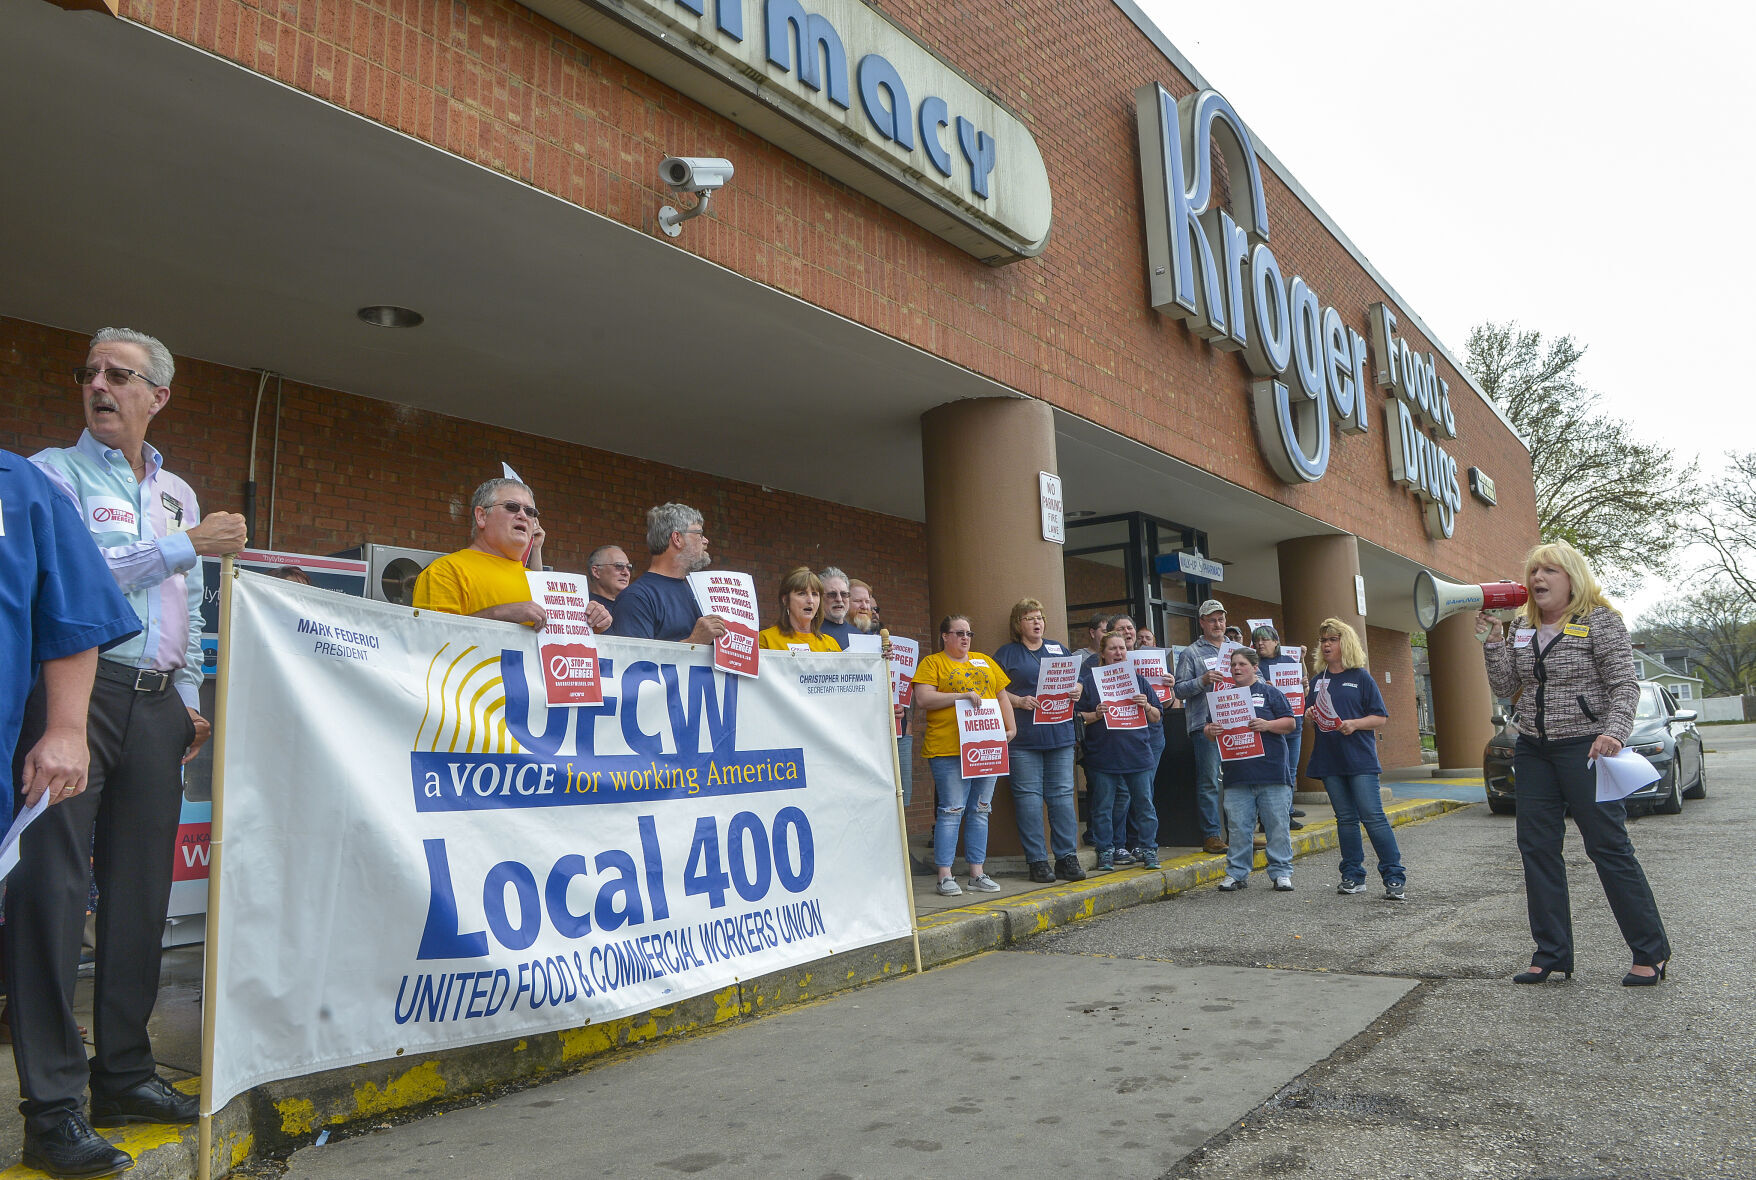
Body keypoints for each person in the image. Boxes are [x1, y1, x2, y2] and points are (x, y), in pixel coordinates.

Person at [12, 328, 247, 1178]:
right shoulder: (51, 473)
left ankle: (124, 1075)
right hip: (75, 696)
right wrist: (190, 545)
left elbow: (182, 602)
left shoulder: (177, 490)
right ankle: (52, 1107)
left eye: (121, 376)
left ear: (160, 395)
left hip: (155, 705)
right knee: (52, 892)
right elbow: (74, 582)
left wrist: (186, 701)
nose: (100, 386)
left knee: (143, 898)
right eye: (91, 374)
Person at [1480, 540, 1669, 987]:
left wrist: (1614, 732)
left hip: (1587, 748)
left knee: (1608, 848)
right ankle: (1552, 954)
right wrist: (1493, 642)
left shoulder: (1600, 621)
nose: (1538, 579)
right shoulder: (1522, 628)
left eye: (1550, 571)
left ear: (1572, 578)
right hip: (1533, 749)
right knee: (1537, 850)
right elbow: (1508, 684)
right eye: (1534, 572)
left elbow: (1625, 685)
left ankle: (1650, 952)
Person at [413, 478, 611, 631]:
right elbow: (431, 641)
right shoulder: (445, 571)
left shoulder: (538, 581)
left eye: (531, 511)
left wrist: (594, 621)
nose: (523, 516)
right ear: (481, 516)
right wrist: (500, 613)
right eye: (512, 507)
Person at [910, 615, 1016, 896]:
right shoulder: (933, 663)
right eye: (958, 633)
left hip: (986, 745)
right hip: (948, 748)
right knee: (952, 810)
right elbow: (923, 699)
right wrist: (961, 696)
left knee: (981, 810)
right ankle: (945, 875)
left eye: (969, 633)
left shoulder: (984, 661)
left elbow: (1001, 695)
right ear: (945, 636)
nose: (965, 638)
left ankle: (977, 873)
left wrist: (1011, 726)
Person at [1305, 617, 1405, 900]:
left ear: (1344, 643)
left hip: (1359, 759)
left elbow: (1380, 717)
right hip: (1329, 760)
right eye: (1323, 640)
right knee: (1345, 819)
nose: (1325, 645)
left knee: (1372, 817)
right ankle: (1352, 875)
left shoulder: (1361, 677)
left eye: (1332, 640)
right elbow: (1313, 716)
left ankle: (1394, 876)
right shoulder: (1317, 681)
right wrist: (1309, 716)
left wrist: (1355, 724)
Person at [995, 599, 1086, 884]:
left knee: (1061, 798)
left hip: (1059, 734)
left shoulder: (1058, 649)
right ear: (1018, 624)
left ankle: (1066, 858)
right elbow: (993, 688)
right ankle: (1036, 861)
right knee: (1029, 800)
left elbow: (1078, 679)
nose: (1037, 623)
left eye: (1040, 618)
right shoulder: (1007, 654)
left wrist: (1077, 690)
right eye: (1030, 618)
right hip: (1024, 738)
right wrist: (1018, 700)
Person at [1206, 648, 1297, 891]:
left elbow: (1290, 723)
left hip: (1272, 773)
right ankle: (1236, 873)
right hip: (1238, 775)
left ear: (1255, 667)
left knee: (1277, 825)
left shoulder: (1271, 693)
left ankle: (1281, 873)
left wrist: (1268, 725)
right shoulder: (1222, 698)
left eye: (1242, 664)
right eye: (1233, 664)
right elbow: (1208, 729)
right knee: (1238, 828)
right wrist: (1210, 731)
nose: (1236, 669)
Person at [1077, 629, 1163, 871]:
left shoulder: (1139, 680)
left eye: (1122, 648)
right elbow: (1076, 716)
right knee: (1102, 808)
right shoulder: (1091, 681)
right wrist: (1095, 714)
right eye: (1113, 648)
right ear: (1102, 654)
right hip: (1103, 754)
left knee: (1145, 806)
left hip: (1137, 753)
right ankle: (1105, 851)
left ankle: (1149, 850)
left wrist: (1146, 705)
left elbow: (1157, 716)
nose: (1118, 652)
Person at [606, 503, 728, 645]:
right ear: (677, 538)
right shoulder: (637, 598)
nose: (706, 541)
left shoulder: (697, 592)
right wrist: (694, 642)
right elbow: (636, 663)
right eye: (699, 534)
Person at [1173, 599, 1231, 854]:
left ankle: (1240, 834)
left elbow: (1257, 677)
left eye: (1220, 619)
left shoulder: (1237, 649)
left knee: (1238, 781)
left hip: (1237, 724)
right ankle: (1212, 835)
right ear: (1202, 623)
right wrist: (1202, 680)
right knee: (1209, 781)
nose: (1217, 624)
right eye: (1212, 619)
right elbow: (1178, 689)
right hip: (1205, 724)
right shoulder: (1191, 653)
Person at [1252, 625, 1306, 831]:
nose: (1260, 643)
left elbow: (1302, 694)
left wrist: (1304, 685)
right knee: (1271, 772)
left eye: (1264, 639)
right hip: (1269, 728)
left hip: (1293, 724)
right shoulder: (1256, 666)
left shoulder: (1289, 662)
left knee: (1290, 772)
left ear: (1276, 641)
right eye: (1257, 640)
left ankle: (1286, 813)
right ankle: (1266, 818)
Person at [758, 567, 842, 652]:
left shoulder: (831, 644)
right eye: (802, 593)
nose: (810, 600)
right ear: (786, 600)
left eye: (814, 594)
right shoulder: (766, 639)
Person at [586, 545, 633, 610]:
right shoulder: (583, 608)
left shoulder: (633, 608)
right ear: (596, 572)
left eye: (628, 567)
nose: (626, 573)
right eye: (619, 566)